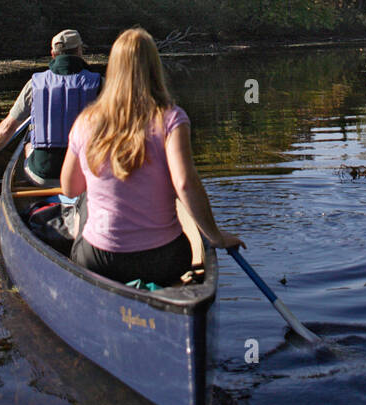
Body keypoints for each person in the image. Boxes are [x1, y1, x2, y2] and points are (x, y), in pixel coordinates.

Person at [60, 26, 244, 286]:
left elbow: (70, 188)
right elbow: (185, 184)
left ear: (113, 70)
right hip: (163, 260)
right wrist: (214, 236)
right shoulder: (171, 118)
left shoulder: (85, 122)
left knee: (82, 214)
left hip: (101, 259)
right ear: (154, 68)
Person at [0, 29, 102, 184]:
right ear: (79, 51)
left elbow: (7, 127)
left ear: (53, 54)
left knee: (28, 144)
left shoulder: (34, 84)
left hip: (43, 175)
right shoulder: (100, 83)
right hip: (84, 175)